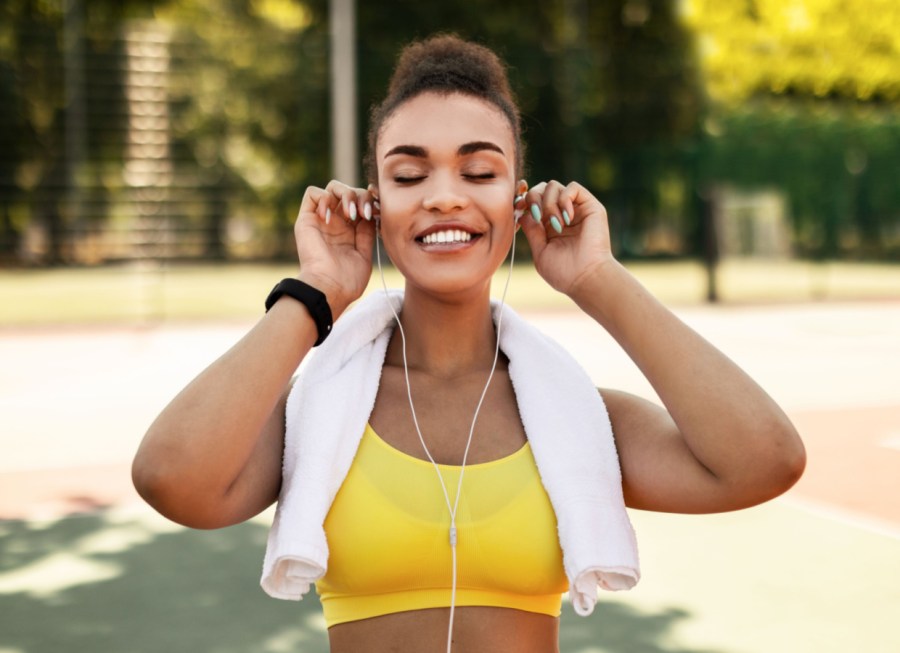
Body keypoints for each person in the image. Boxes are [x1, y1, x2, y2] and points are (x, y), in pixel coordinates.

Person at [132, 34, 806, 653]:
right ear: (376, 202)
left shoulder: (578, 419)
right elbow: (172, 478)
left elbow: (764, 459)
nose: (445, 197)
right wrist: (317, 291)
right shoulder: (319, 414)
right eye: (409, 175)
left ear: (518, 201)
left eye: (479, 173)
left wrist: (597, 279)